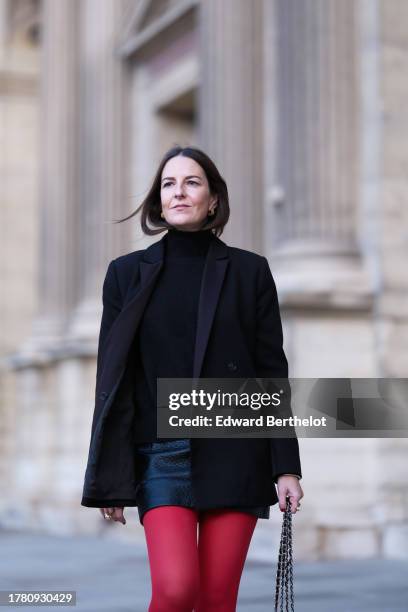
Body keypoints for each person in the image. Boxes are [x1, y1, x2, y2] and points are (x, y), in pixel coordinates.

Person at [81, 145, 304, 611]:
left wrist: (286, 466)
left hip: (235, 448)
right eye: (168, 183)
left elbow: (271, 373)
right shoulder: (125, 275)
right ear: (158, 201)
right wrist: (110, 475)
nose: (178, 192)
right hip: (160, 454)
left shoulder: (250, 271)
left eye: (191, 182)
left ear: (213, 199)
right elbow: (113, 380)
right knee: (176, 589)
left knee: (217, 599)